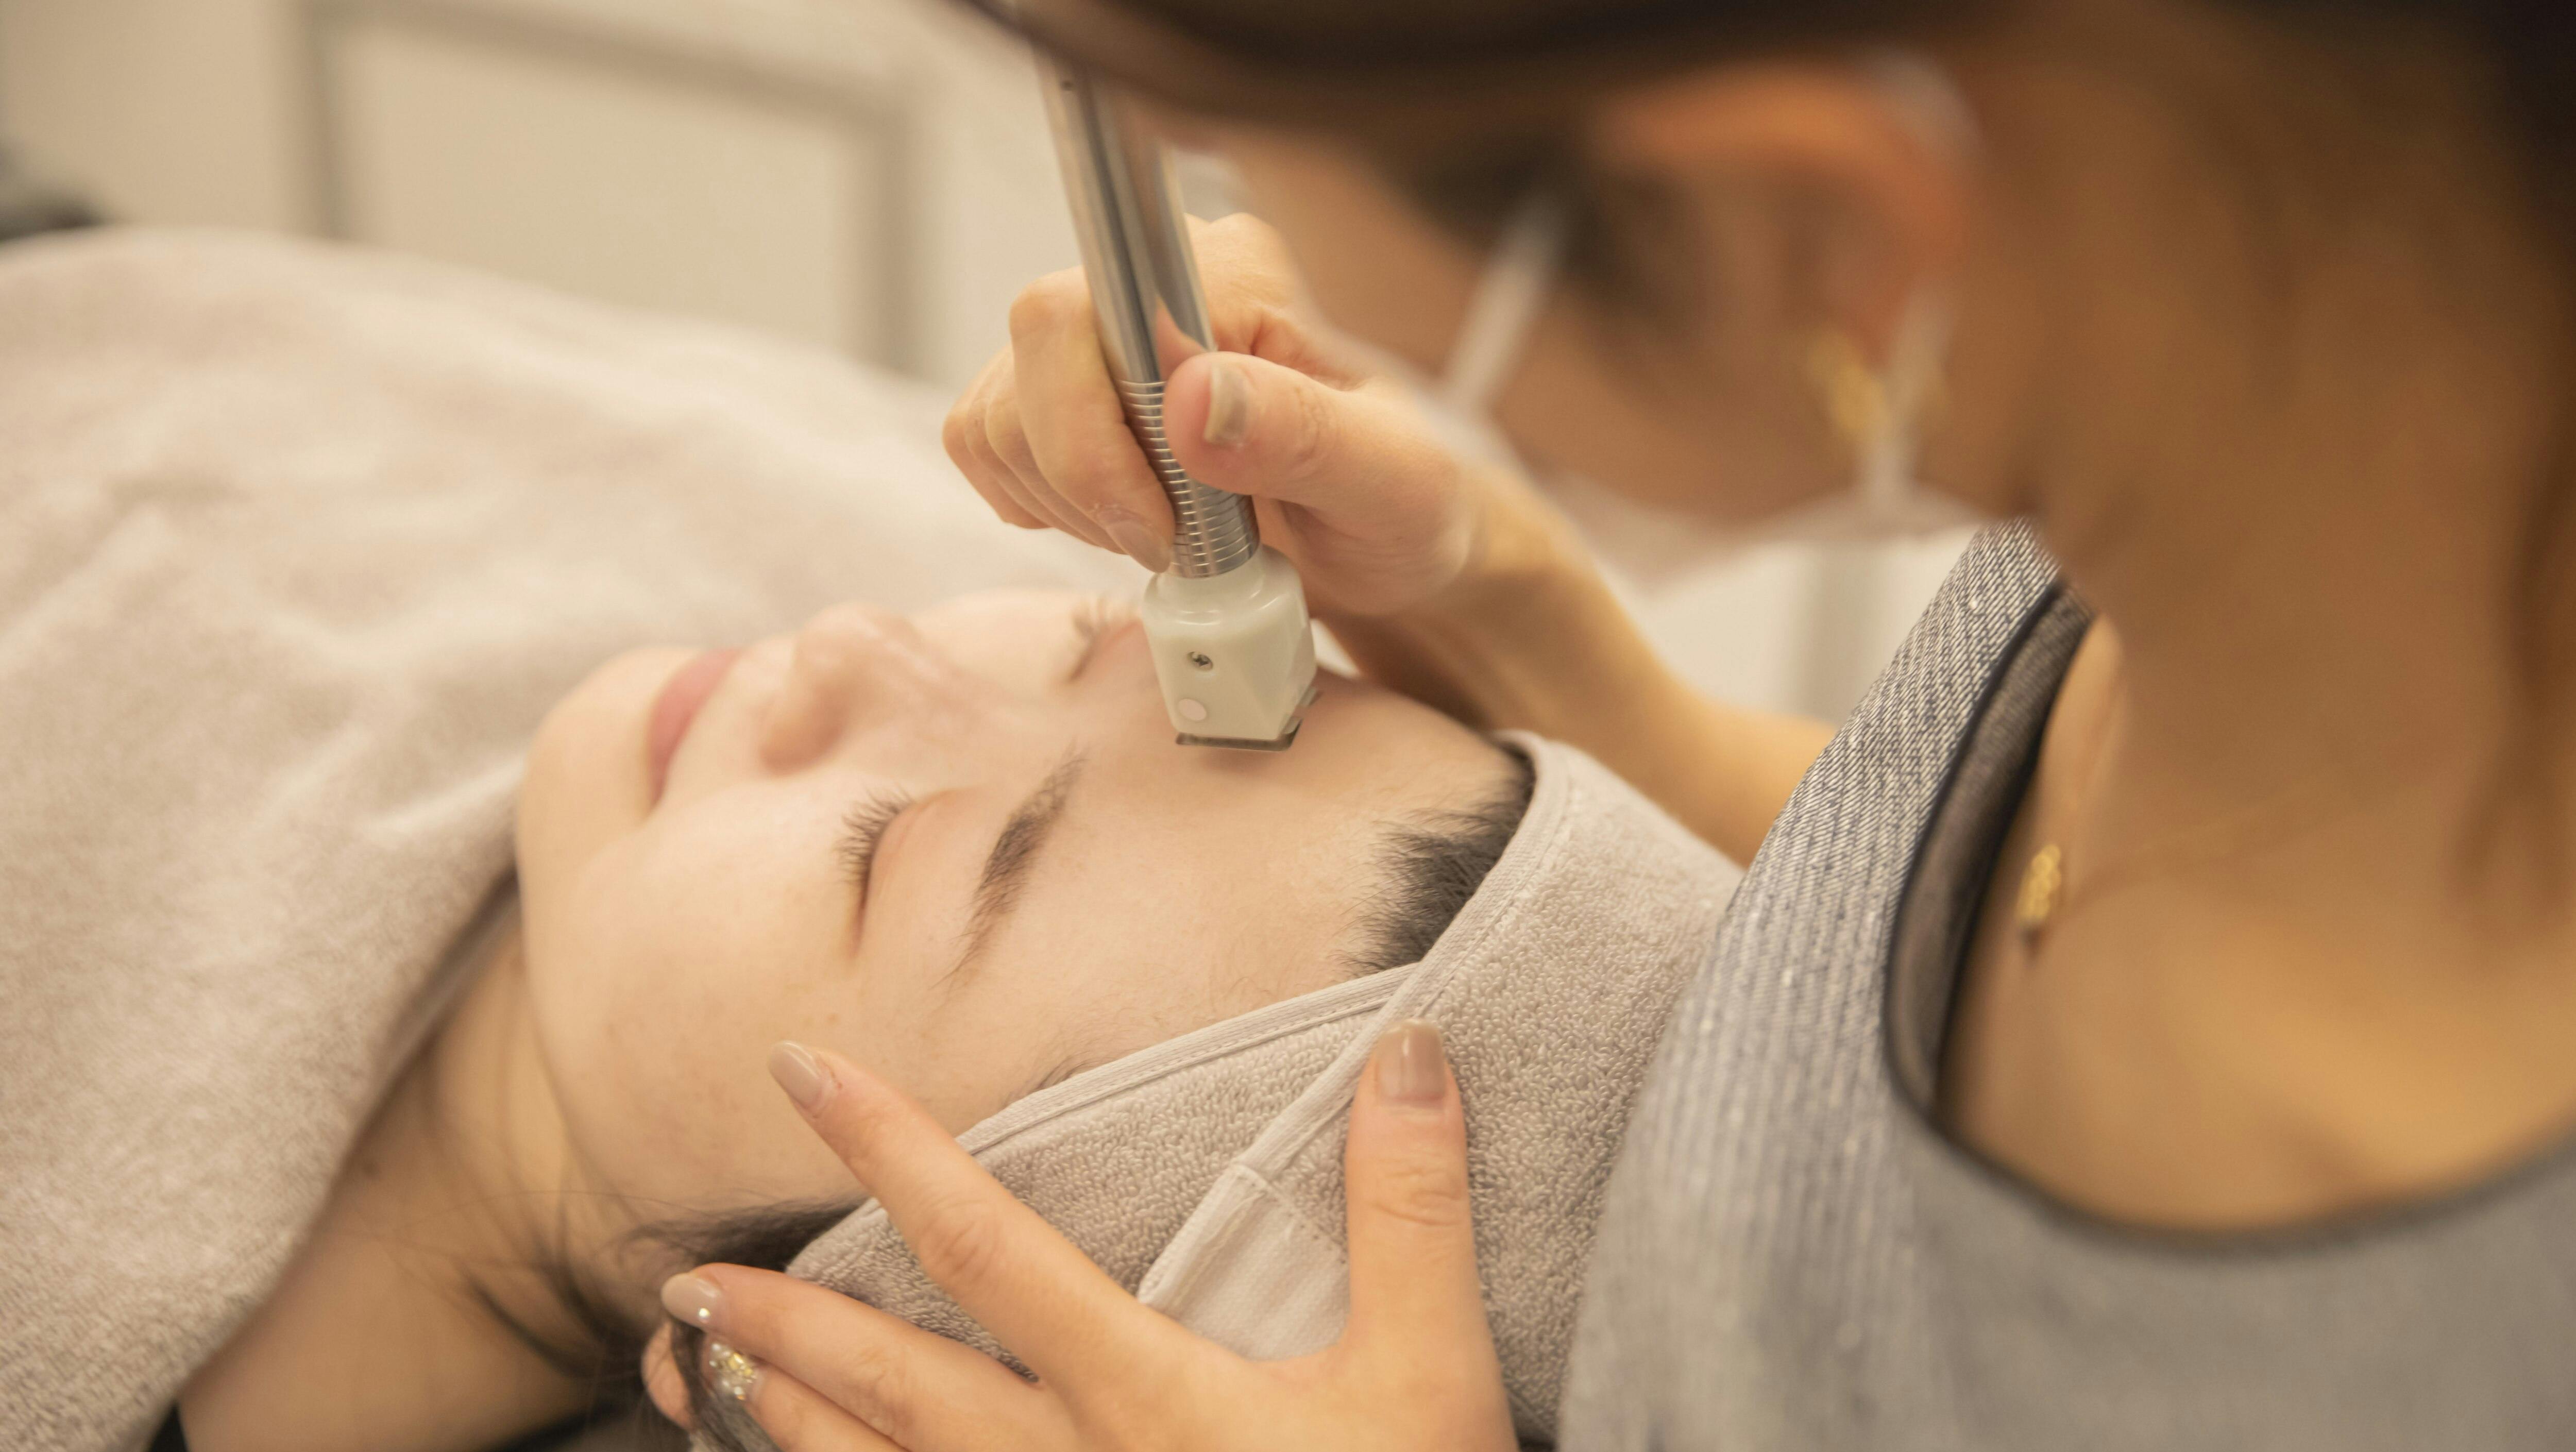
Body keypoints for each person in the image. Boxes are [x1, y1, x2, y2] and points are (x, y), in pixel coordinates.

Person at [660, 0, 2576, 1448]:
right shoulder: (2266, 431)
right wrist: (1528, 636)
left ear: (1822, 240)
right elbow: (1949, 912)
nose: (1237, 233)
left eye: (1235, 150)